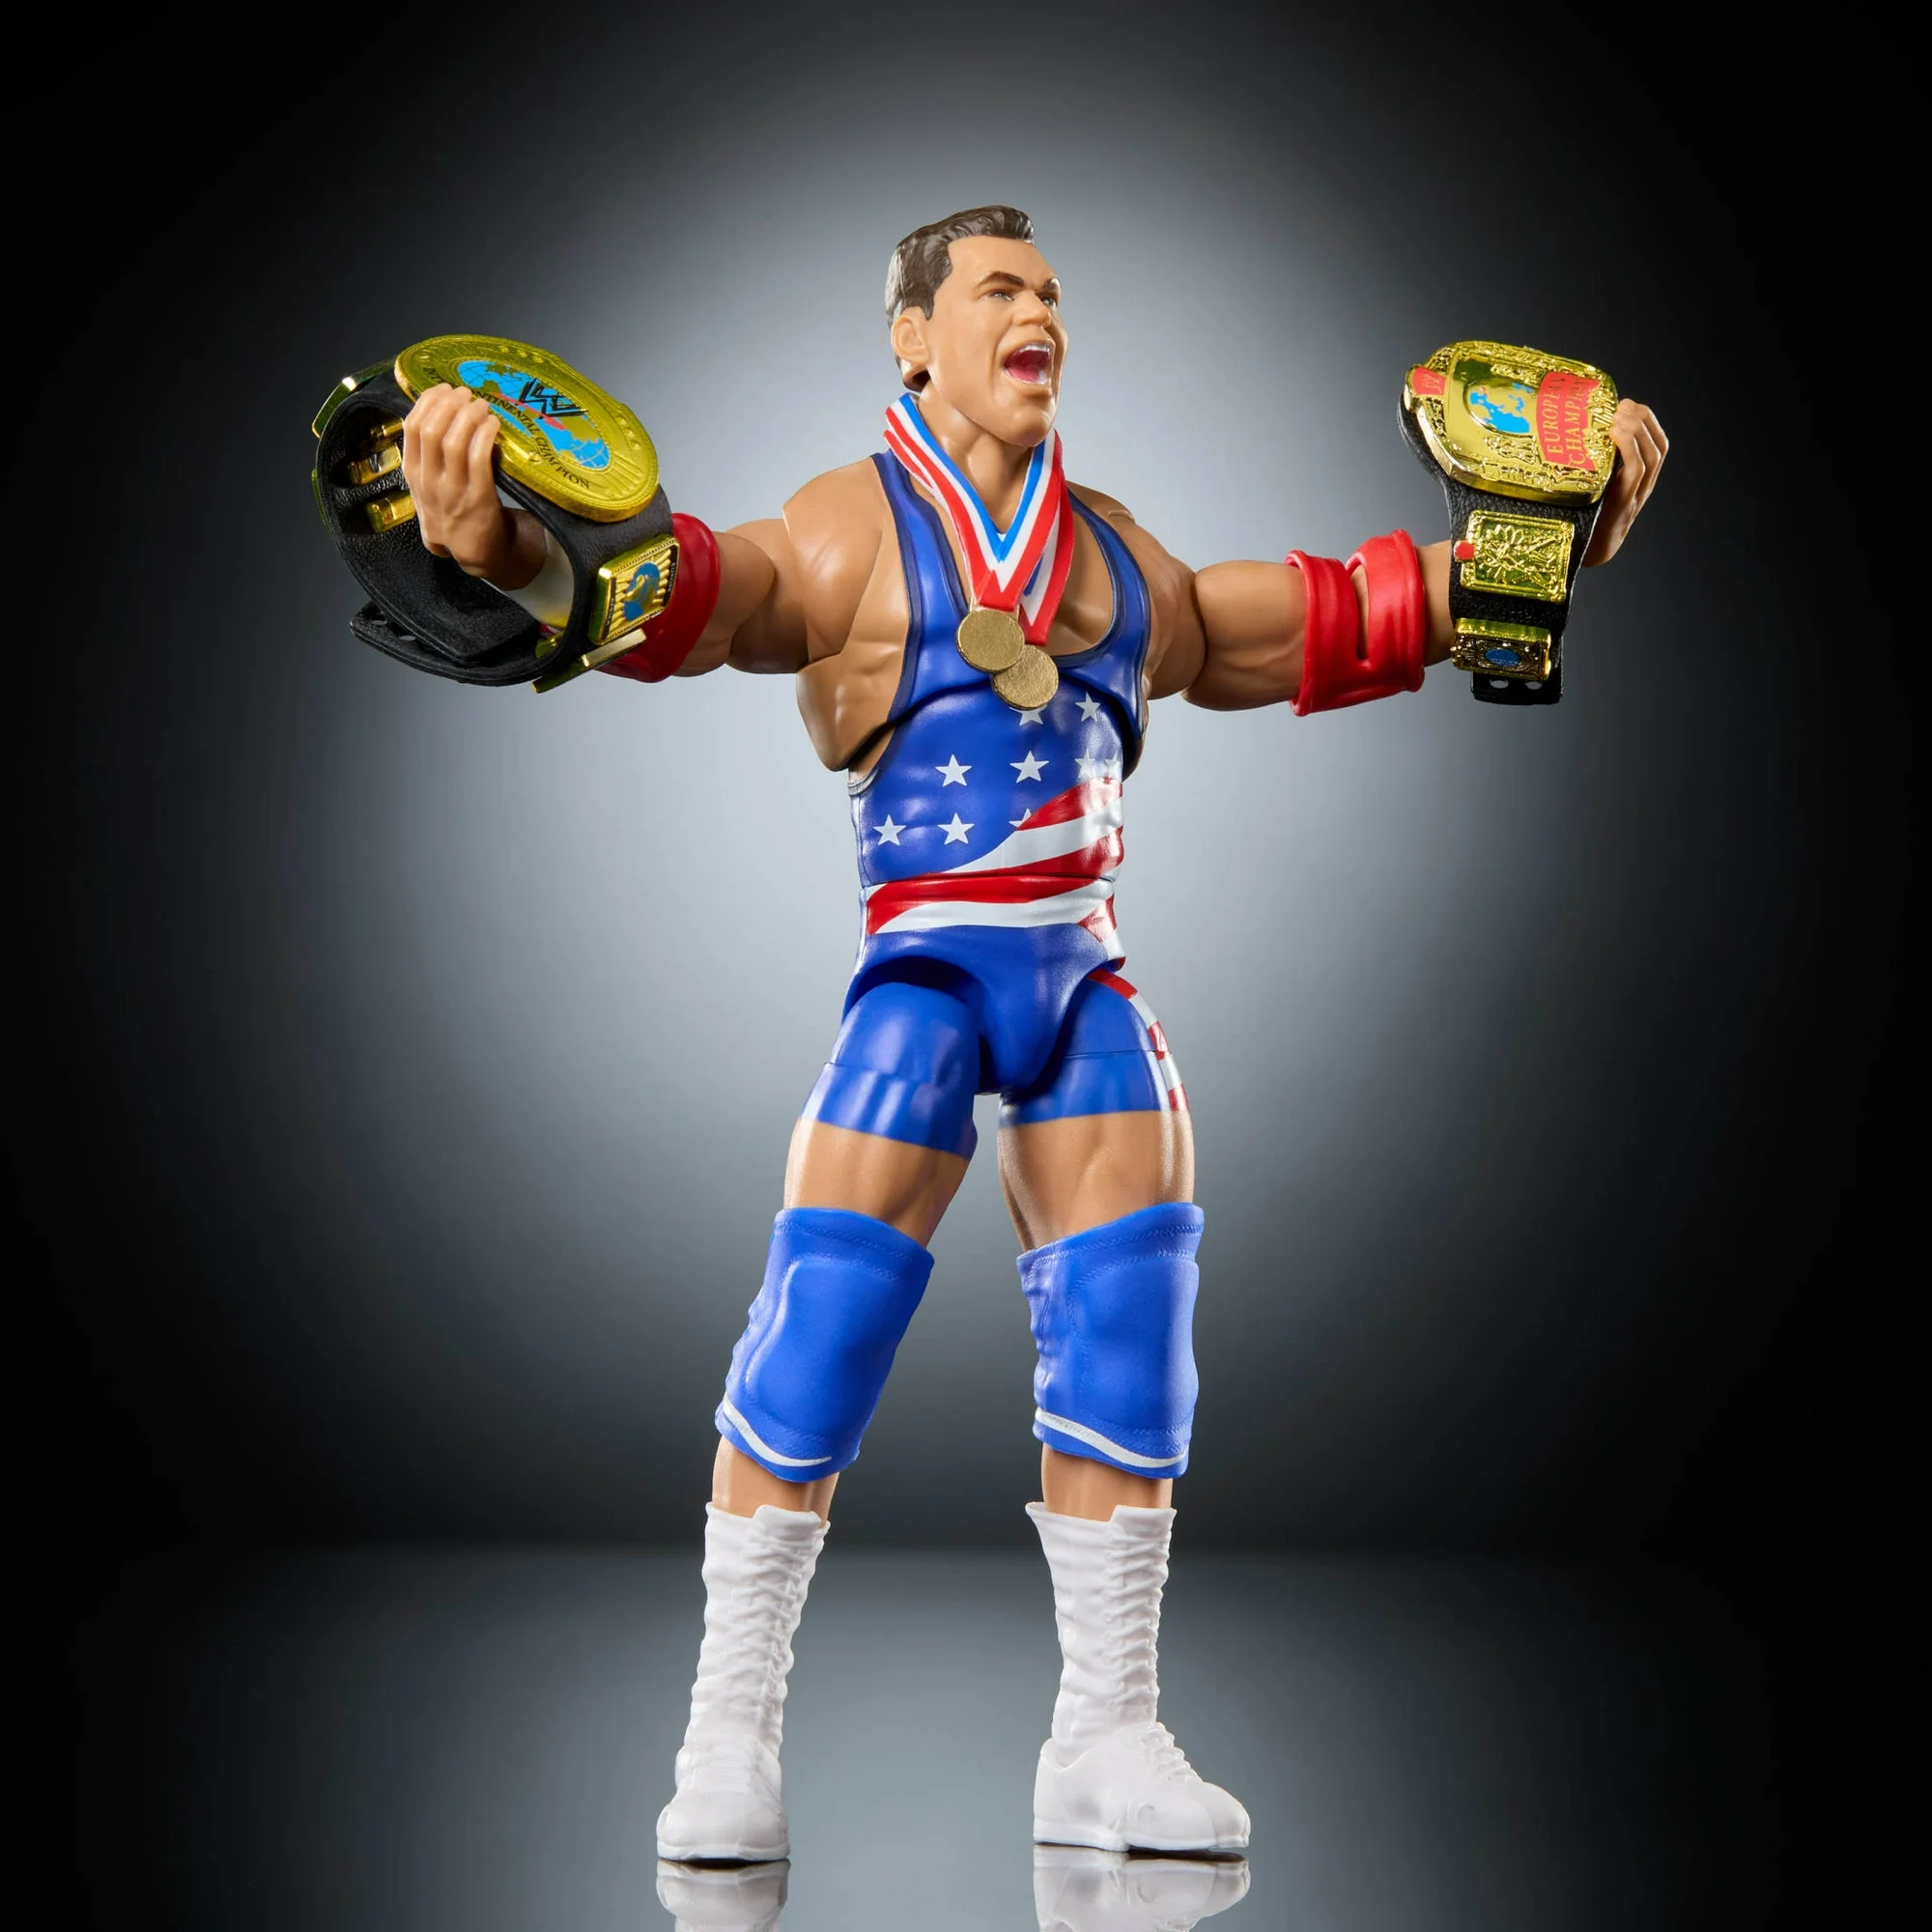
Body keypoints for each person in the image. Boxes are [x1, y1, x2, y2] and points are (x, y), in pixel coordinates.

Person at [397, 206, 1667, 1865]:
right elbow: (696, 594)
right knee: (826, 1315)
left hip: (1084, 980)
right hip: (924, 974)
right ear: (912, 336)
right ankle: (725, 1729)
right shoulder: (852, 525)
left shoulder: (1115, 558)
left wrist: (1526, 557)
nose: (1037, 310)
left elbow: (1287, 623)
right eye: (999, 287)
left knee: (1136, 1315)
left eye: (1052, 291)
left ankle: (1110, 1736)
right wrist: (504, 549)